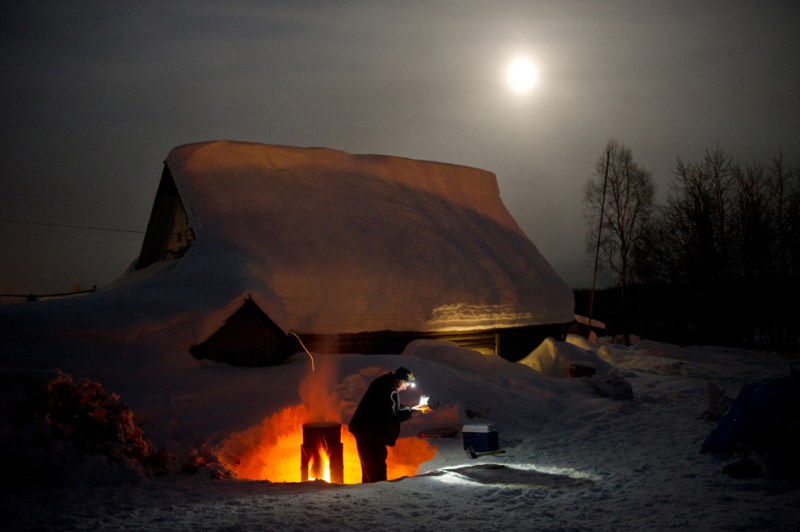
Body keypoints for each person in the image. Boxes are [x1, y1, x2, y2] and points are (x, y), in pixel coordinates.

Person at [348, 367, 427, 483]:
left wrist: (412, 409)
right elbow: (390, 416)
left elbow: (391, 406)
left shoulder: (386, 383)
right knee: (376, 468)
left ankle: (369, 493)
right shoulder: (387, 389)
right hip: (369, 433)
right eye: (406, 385)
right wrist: (411, 411)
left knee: (369, 467)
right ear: (400, 381)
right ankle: (378, 494)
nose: (405, 388)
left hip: (366, 430)